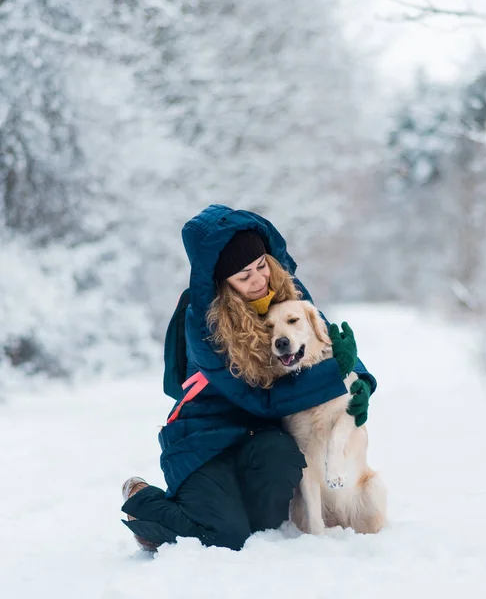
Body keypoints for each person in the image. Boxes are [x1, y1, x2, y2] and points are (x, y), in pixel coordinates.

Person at [121, 204, 376, 552]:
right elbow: (260, 399)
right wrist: (333, 376)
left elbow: (324, 341)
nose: (259, 281)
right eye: (244, 276)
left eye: (261, 267)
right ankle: (143, 502)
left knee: (265, 526)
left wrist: (360, 378)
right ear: (222, 282)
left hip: (263, 435)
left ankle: (237, 508)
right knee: (224, 537)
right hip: (208, 438)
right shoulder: (203, 323)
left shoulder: (287, 289)